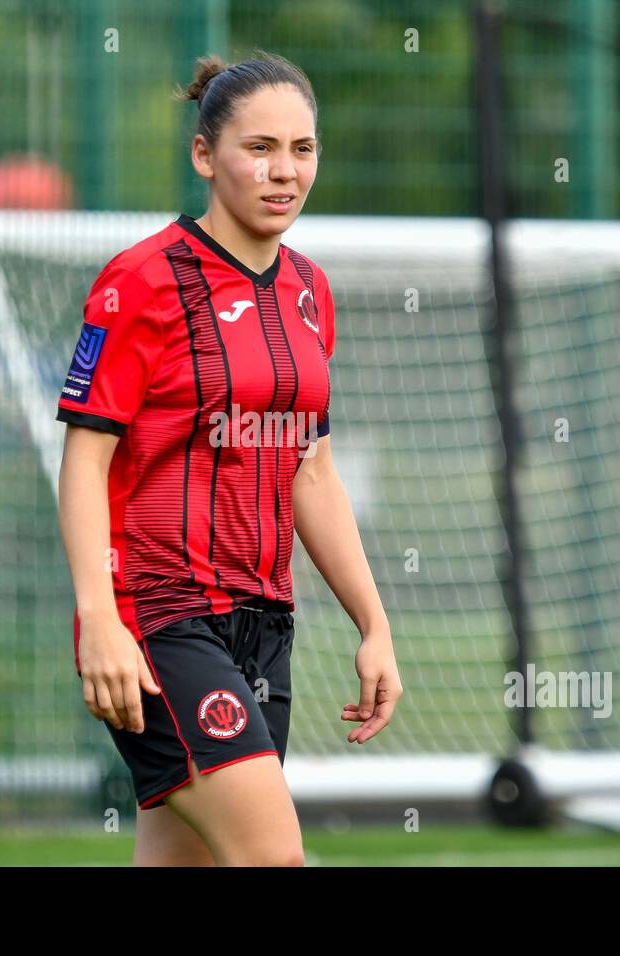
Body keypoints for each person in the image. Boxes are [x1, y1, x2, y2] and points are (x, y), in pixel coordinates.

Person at [56, 50, 403, 867]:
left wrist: (374, 623)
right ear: (205, 157)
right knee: (274, 856)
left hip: (264, 624)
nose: (284, 171)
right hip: (158, 613)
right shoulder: (140, 283)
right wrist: (100, 618)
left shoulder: (311, 291)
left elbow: (310, 470)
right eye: (260, 148)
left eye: (303, 149)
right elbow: (83, 462)